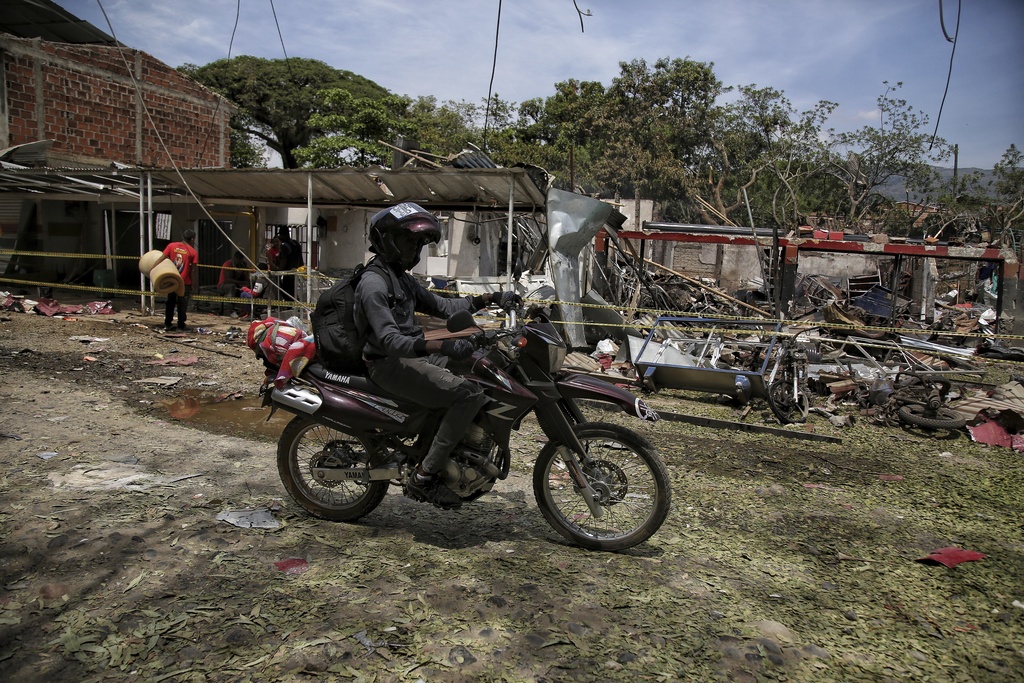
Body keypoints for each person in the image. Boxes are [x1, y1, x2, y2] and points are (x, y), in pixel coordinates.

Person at [354, 202, 517, 509]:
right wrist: (440, 345)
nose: (414, 249)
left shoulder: (399, 277)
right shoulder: (374, 282)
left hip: (410, 356)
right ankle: (425, 475)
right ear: (387, 239)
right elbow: (390, 340)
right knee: (467, 395)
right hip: (388, 364)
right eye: (409, 240)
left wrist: (490, 297)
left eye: (419, 243)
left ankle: (453, 447)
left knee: (477, 366)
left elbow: (444, 308)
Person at [157, 228, 199, 331]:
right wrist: (194, 284)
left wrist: (152, 267)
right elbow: (193, 270)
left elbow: (162, 258)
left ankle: (168, 323)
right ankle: (181, 324)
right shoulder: (193, 252)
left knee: (170, 301)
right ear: (192, 239)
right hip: (185, 282)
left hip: (172, 280)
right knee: (182, 304)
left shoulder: (171, 246)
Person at [217, 250, 251, 316]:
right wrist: (241, 282)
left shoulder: (242, 265)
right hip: (224, 285)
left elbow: (246, 277)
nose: (239, 260)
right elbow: (227, 279)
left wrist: (247, 281)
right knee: (231, 287)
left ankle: (245, 310)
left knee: (247, 289)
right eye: (238, 258)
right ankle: (230, 310)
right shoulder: (228, 264)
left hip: (237, 284)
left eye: (241, 259)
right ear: (235, 257)